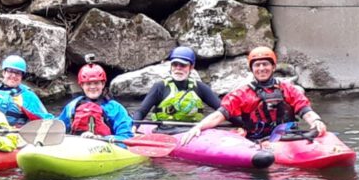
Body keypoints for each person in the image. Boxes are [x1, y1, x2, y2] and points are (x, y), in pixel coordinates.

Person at [178, 46, 327, 144]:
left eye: (265, 64)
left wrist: (316, 121)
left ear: (273, 67)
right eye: (257, 65)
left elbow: (306, 111)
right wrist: (198, 127)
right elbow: (219, 115)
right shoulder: (241, 94)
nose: (262, 68)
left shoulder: (288, 89)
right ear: (252, 69)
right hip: (258, 141)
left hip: (289, 138)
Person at [133, 46, 223, 124]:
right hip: (165, 131)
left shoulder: (200, 88)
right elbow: (141, 112)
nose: (178, 69)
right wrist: (133, 129)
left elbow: (224, 110)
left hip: (191, 131)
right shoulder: (160, 87)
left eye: (183, 65)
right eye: (175, 65)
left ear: (191, 67)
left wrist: (237, 124)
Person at [57, 58, 134, 140]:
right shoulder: (73, 106)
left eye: (97, 83)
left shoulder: (115, 108)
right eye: (88, 84)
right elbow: (59, 128)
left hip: (107, 147)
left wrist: (101, 139)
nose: (93, 87)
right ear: (82, 85)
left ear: (103, 84)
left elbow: (126, 136)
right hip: (78, 146)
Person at [0, 55, 54, 127]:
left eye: (18, 73)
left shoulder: (27, 95)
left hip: (15, 134)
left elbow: (46, 119)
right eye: (10, 71)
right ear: (4, 72)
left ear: (21, 76)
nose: (14, 75)